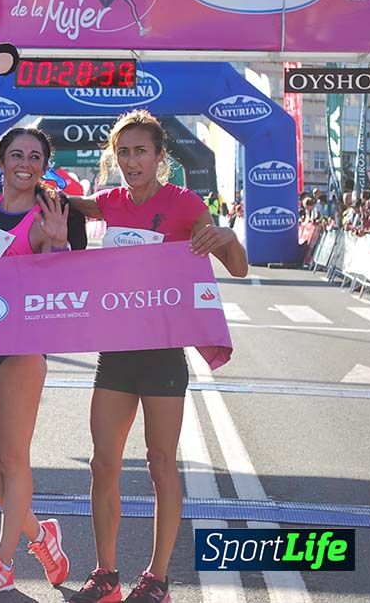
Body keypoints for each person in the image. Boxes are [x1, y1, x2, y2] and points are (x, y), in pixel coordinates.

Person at [66, 109, 248, 603]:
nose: (131, 161)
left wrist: (226, 238)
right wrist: (35, 193)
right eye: (122, 152)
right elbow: (73, 205)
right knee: (103, 464)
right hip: (117, 353)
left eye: (140, 151)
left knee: (161, 463)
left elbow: (237, 267)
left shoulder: (185, 204)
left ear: (160, 156)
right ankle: (106, 575)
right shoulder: (110, 202)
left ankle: (158, 578)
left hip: (165, 354)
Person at [0, 127, 73, 595]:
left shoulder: (46, 215)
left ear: (44, 166)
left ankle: (5, 562)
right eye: (16, 154)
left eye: (35, 156)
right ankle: (41, 535)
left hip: (21, 346)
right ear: (1, 161)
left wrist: (59, 244)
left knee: (14, 456)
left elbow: (59, 285)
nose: (24, 162)